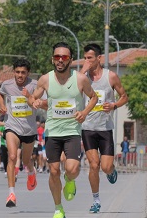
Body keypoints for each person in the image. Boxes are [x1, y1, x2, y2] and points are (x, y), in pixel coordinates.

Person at [31, 42, 98, 218]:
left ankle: (69, 180)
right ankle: (58, 208)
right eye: (57, 57)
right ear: (52, 59)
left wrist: (84, 112)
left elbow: (94, 97)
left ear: (70, 60)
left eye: (64, 57)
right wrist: (34, 102)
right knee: (53, 171)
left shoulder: (80, 79)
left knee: (72, 169)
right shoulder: (45, 79)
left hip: (72, 131)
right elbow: (33, 97)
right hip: (52, 132)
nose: (60, 60)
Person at [80, 43, 129, 214]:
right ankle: (96, 200)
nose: (87, 61)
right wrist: (81, 73)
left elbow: (124, 96)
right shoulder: (82, 78)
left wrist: (114, 105)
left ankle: (111, 171)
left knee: (106, 166)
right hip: (87, 128)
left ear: (98, 58)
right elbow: (71, 91)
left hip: (105, 128)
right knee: (94, 165)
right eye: (85, 58)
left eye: (90, 58)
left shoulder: (111, 76)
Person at [0, 58, 39, 208]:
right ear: (13, 72)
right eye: (17, 72)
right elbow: (0, 93)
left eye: (23, 72)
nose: (20, 75)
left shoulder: (35, 85)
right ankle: (11, 194)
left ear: (28, 73)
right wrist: (2, 105)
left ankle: (31, 171)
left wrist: (29, 96)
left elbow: (39, 103)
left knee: (26, 161)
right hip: (12, 126)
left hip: (29, 129)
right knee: (12, 157)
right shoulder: (7, 85)